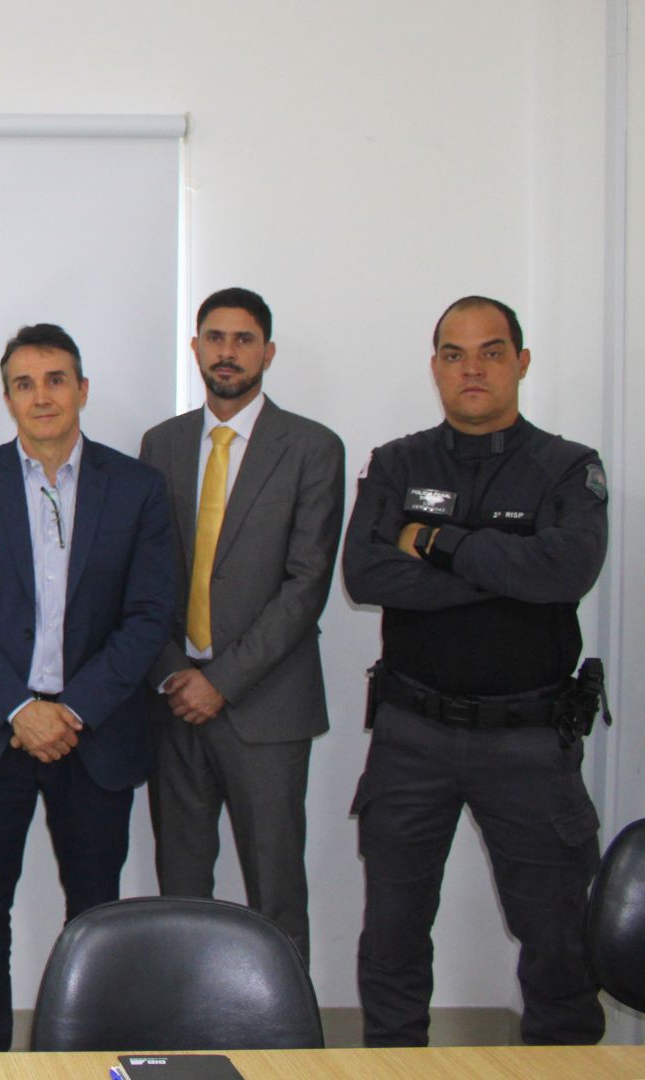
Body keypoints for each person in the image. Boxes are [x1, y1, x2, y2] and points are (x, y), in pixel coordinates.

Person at [343, 295, 608, 1047]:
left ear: (521, 362)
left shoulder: (567, 466)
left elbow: (568, 570)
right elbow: (367, 574)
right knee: (392, 939)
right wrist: (508, 573)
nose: (472, 369)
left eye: (491, 352)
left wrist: (438, 543)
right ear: (435, 367)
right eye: (454, 355)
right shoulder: (398, 463)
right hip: (411, 736)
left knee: (558, 942)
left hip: (529, 741)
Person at [0, 323, 175, 1052]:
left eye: (56, 380)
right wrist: (18, 708)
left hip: (95, 735)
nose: (42, 397)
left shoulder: (137, 488)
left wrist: (73, 710)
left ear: (82, 390)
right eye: (25, 384)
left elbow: (149, 614)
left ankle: (86, 1060)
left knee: (95, 919)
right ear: (7, 398)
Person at [139, 287, 344, 966]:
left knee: (276, 894)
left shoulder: (312, 448)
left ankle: (286, 1028)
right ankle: (183, 1019)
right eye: (215, 338)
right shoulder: (162, 443)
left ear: (268, 352)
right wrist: (175, 672)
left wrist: (220, 681)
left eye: (244, 339)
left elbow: (306, 585)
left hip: (267, 706)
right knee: (180, 894)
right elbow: (145, 576)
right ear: (195, 348)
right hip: (175, 702)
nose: (227, 352)